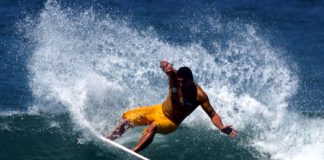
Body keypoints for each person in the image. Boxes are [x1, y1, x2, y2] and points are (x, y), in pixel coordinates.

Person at [106, 60, 237, 152]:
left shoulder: (199, 95)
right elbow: (162, 63)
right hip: (158, 109)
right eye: (178, 82)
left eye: (182, 82)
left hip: (171, 122)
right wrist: (166, 65)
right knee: (127, 119)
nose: (179, 84)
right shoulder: (174, 75)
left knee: (154, 126)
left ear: (190, 81)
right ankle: (108, 140)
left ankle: (133, 153)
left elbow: (212, 114)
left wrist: (221, 127)